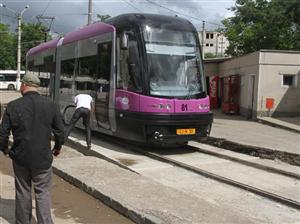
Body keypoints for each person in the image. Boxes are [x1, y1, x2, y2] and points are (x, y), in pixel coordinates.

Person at [0, 73, 65, 224]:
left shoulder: (13, 105)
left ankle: (23, 222)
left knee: (23, 191)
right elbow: (60, 131)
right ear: (36, 87)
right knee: (43, 192)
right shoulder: (51, 104)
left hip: (21, 157)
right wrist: (57, 147)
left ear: (23, 85)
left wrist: (4, 149)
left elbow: (3, 133)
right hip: (43, 158)